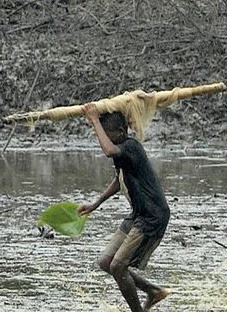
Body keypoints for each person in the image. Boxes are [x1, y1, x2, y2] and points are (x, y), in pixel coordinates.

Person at [77, 104, 171, 312]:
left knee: (118, 267)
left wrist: (94, 121)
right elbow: (119, 180)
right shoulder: (122, 152)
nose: (106, 140)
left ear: (120, 132)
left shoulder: (130, 147)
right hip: (138, 214)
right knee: (105, 262)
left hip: (152, 217)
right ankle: (153, 292)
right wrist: (95, 204)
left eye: (109, 135)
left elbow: (109, 150)